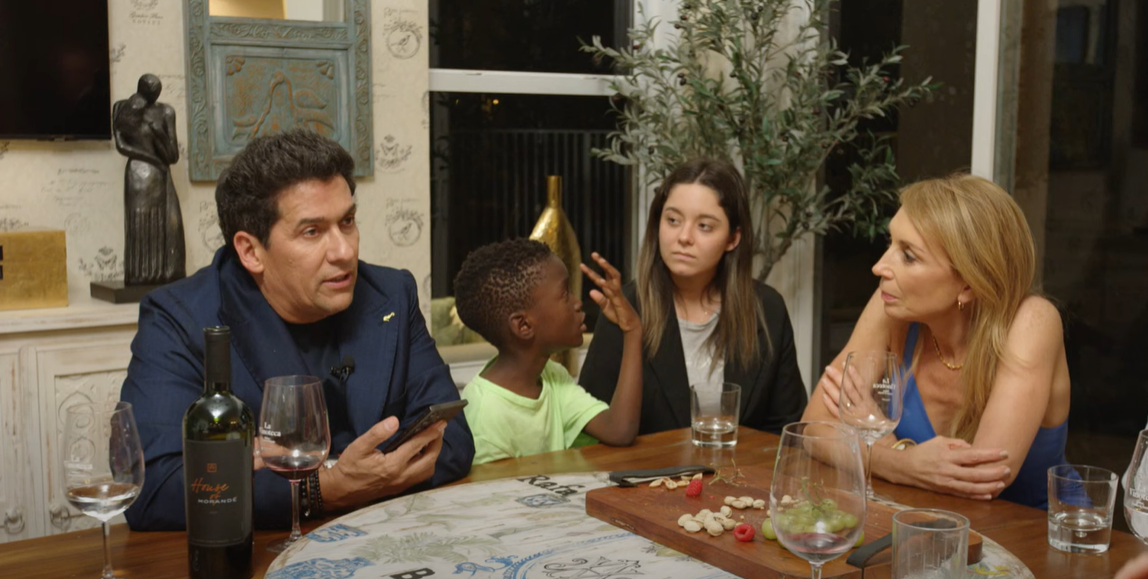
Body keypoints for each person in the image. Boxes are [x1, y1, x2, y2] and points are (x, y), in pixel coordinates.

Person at [121, 129, 475, 530]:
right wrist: (322, 489)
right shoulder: (178, 317)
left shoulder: (392, 294)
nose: (344, 251)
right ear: (250, 251)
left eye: (347, 221)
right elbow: (153, 489)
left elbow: (453, 440)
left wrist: (338, 477)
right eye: (312, 232)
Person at [803, 174, 1070, 509]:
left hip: (1038, 533)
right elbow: (813, 429)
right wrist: (900, 460)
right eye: (890, 243)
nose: (879, 267)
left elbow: (980, 478)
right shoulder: (893, 303)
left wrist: (875, 439)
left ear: (968, 284)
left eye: (909, 256)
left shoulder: (1033, 321)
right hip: (924, 521)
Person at [578, 158, 807, 435]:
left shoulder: (767, 309)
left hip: (744, 464)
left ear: (733, 238)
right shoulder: (626, 308)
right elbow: (592, 428)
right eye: (673, 220)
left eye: (704, 226)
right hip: (649, 465)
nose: (684, 237)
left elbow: (786, 431)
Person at [452, 239, 643, 464]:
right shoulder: (486, 417)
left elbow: (619, 430)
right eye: (565, 294)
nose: (578, 303)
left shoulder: (551, 376)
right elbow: (500, 488)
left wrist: (632, 330)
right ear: (524, 326)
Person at [112, 73, 185, 285]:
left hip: (161, 176)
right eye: (152, 89)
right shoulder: (122, 107)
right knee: (139, 223)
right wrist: (152, 159)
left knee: (169, 224)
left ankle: (167, 274)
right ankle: (139, 275)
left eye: (157, 89)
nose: (155, 93)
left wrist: (159, 134)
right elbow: (121, 145)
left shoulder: (166, 112)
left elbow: (173, 156)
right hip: (138, 174)